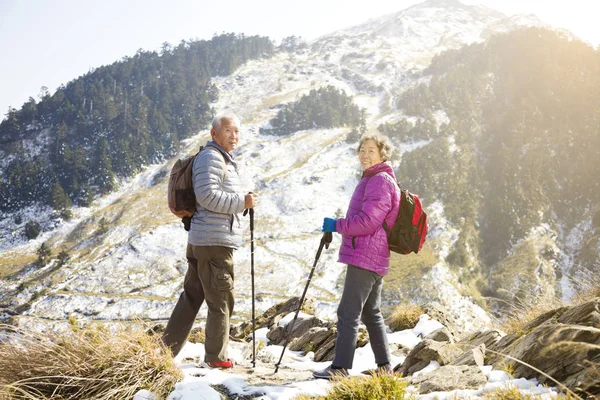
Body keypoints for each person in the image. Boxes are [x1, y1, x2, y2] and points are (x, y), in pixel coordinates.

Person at [162, 111, 258, 368]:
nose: (234, 136)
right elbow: (207, 196)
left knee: (192, 296)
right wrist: (242, 202)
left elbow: (214, 193)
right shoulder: (211, 157)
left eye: (237, 131)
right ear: (214, 133)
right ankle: (216, 358)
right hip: (213, 243)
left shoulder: (222, 159)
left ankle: (163, 352)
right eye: (228, 130)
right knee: (222, 299)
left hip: (204, 239)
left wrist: (243, 199)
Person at [313, 134, 400, 379]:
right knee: (370, 312)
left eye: (371, 150)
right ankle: (385, 368)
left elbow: (368, 222)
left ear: (383, 154)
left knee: (348, 312)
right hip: (374, 256)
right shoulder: (376, 179)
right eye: (362, 150)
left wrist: (337, 225)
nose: (364, 155)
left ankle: (339, 368)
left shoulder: (380, 181)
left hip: (365, 255)